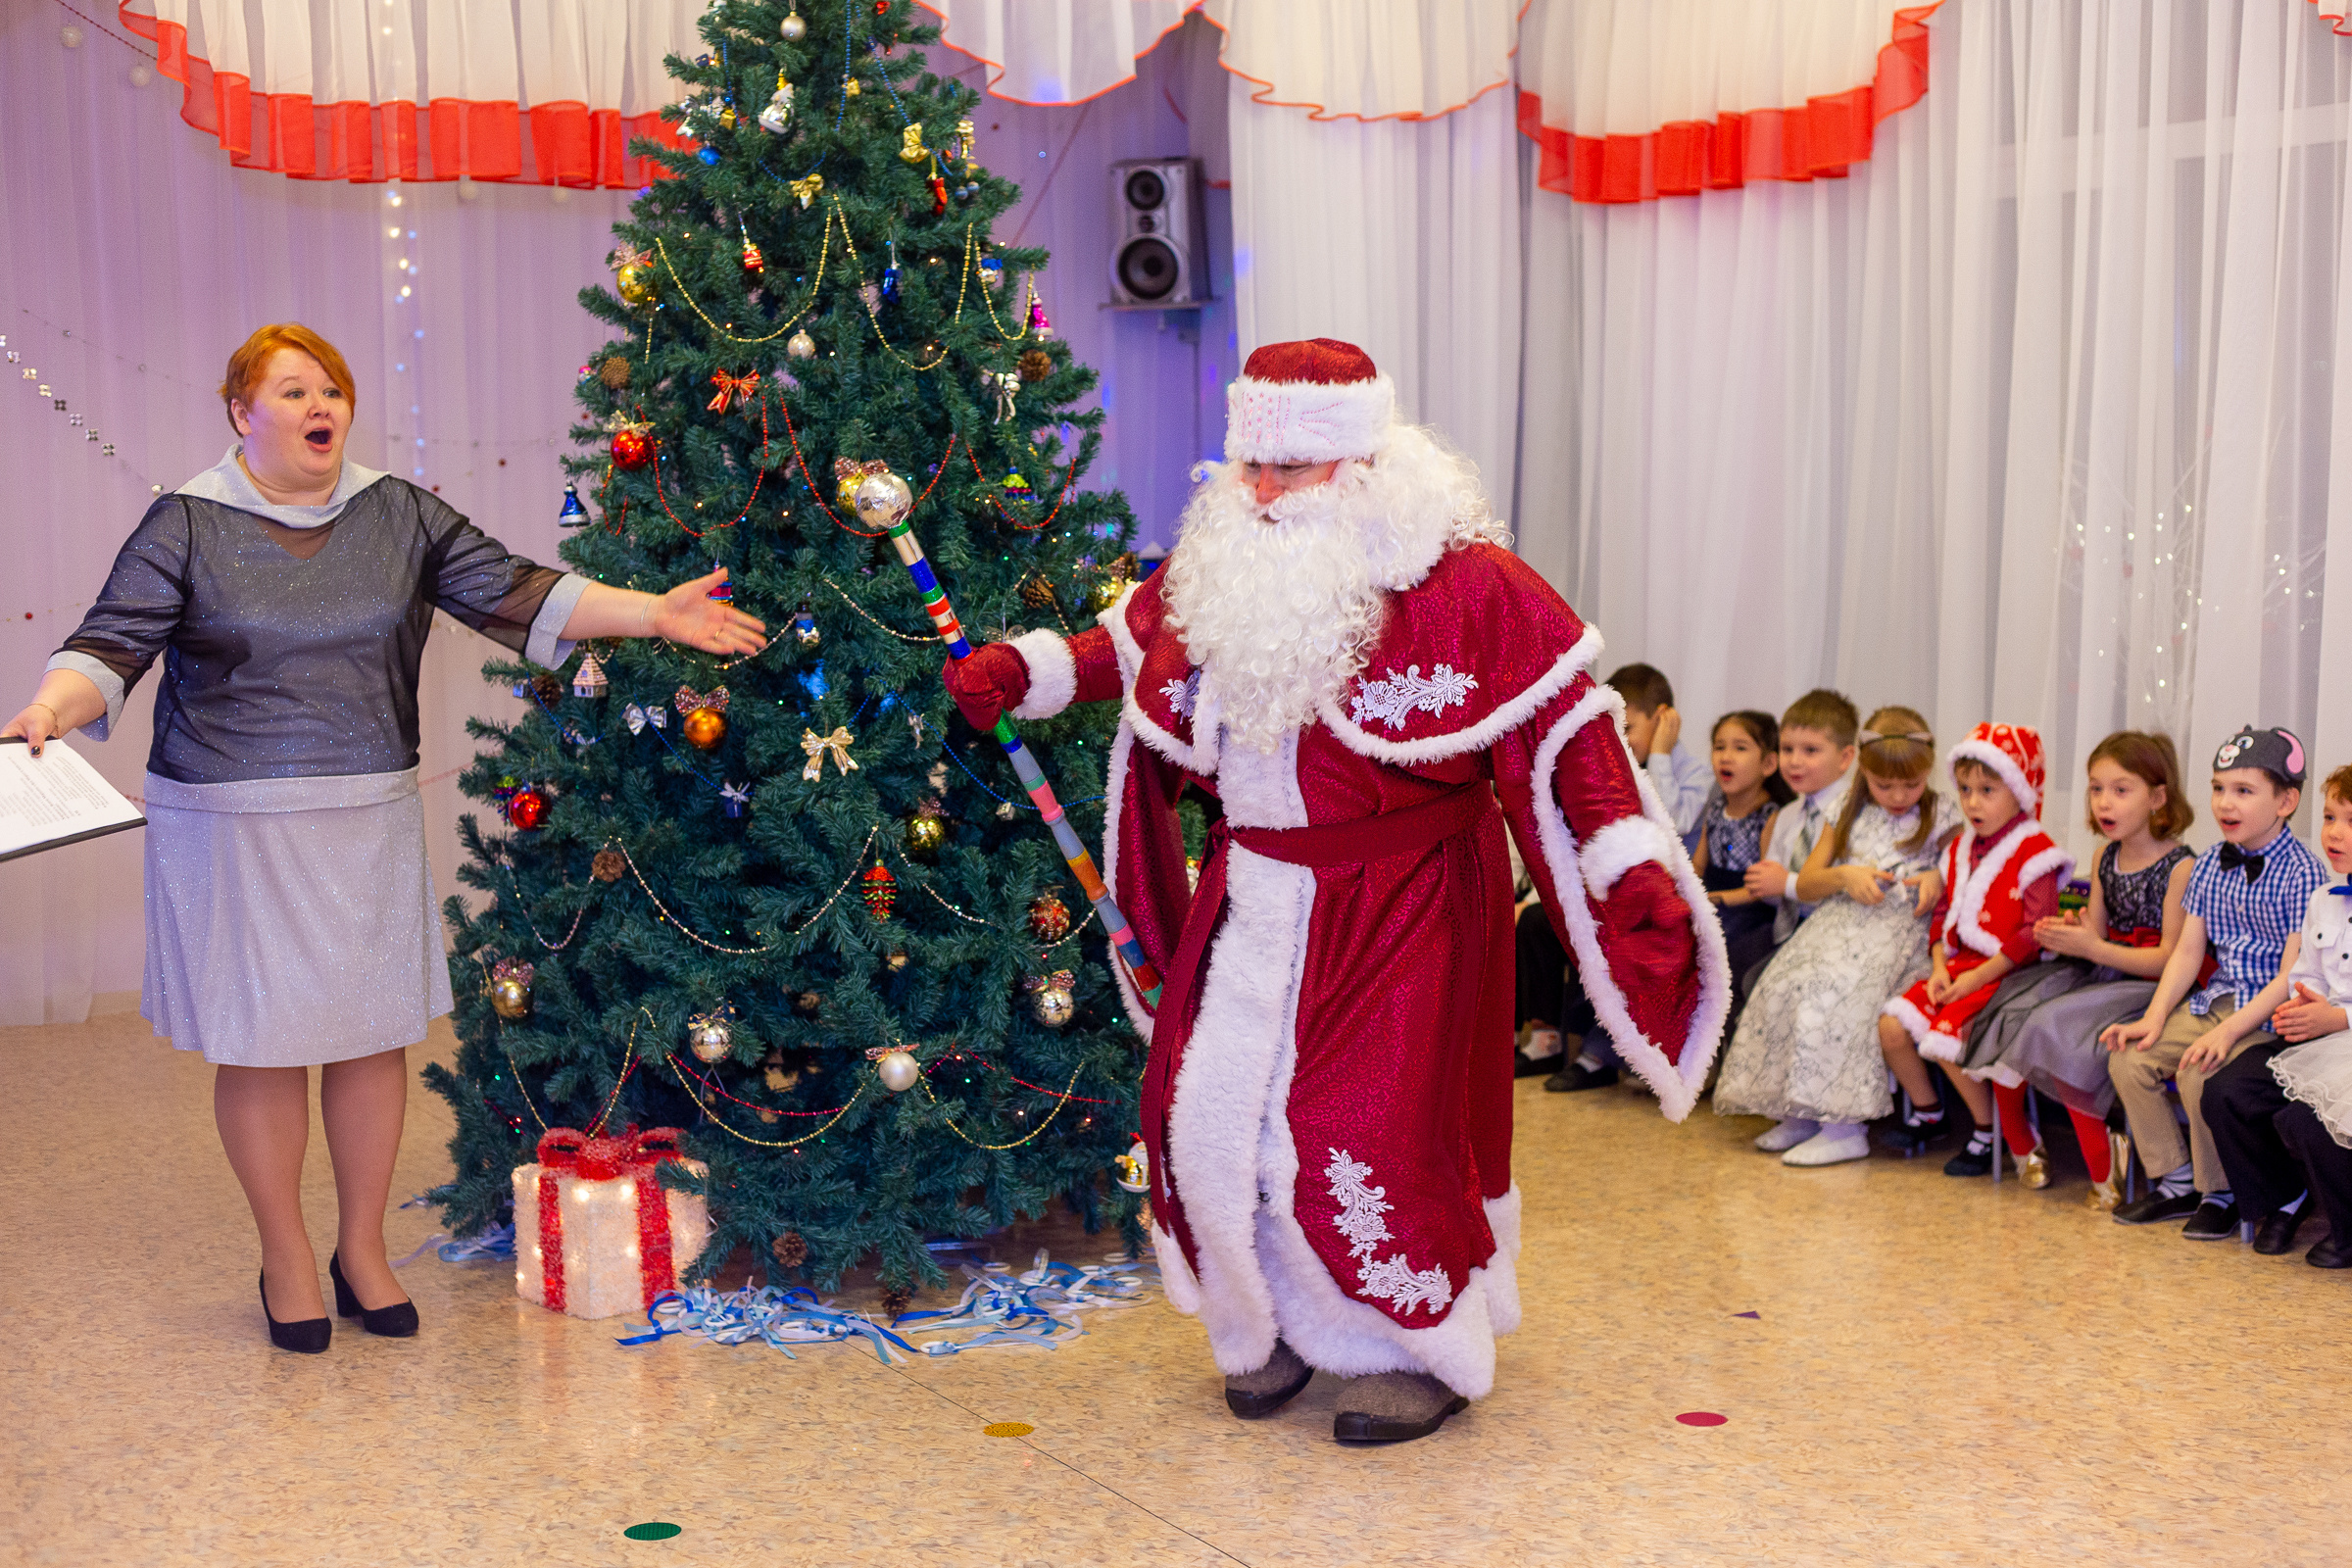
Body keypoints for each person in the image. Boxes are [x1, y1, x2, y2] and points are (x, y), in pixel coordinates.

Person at [939, 339, 1725, 1444]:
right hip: (1252, 894)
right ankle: (1275, 1328)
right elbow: (1136, 636)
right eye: (1248, 465)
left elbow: (1567, 727)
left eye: (1288, 470)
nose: (1259, 493)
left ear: (1363, 463)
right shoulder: (1222, 559)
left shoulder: (1466, 582)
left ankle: (1420, 1347)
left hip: (1402, 903)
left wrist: (1621, 855)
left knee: (1358, 1126)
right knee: (1209, 1120)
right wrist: (1030, 670)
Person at [2, 324, 763, 1352]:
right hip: (233, 824)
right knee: (263, 1045)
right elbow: (110, 641)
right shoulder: (184, 521)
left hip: (364, 811)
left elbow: (518, 589)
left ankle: (361, 1250)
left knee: (368, 1034)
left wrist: (653, 616)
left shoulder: (396, 512)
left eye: (333, 389)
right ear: (242, 413)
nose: (322, 405)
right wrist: (50, 705)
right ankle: (283, 1254)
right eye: (293, 389)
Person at [1943, 732, 2195, 1206]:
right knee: (2008, 1009)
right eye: (2096, 789)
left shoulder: (2181, 867)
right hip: (2100, 974)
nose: (2105, 802)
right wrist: (2066, 933)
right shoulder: (2105, 856)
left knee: (2054, 1027)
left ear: (2158, 798)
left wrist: (2093, 948)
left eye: (2121, 790)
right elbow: (2094, 932)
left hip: (2148, 988)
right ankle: (2034, 1142)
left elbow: (2168, 959)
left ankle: (2105, 1169)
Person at [2102, 726, 2328, 1239]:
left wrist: (2226, 1034)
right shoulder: (2209, 863)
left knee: (2199, 1072)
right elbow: (2187, 951)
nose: (2225, 803)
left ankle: (2220, 1192)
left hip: (2266, 1013)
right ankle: (2175, 1180)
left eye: (2244, 791)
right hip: (2214, 1001)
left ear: (2286, 801)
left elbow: (2294, 972)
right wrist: (2154, 1017)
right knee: (2129, 1058)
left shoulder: (2302, 874)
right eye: (2219, 788)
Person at [1713, 709, 1960, 1166]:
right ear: (1864, 770)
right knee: (1785, 983)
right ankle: (1800, 1111)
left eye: (1911, 784)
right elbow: (1806, 883)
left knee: (1838, 995)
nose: (1899, 796)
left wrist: (1936, 880)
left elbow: (1959, 870)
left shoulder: (1941, 811)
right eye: (1885, 786)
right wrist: (1844, 876)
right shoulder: (1845, 808)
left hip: (1899, 935)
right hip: (1838, 927)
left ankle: (1844, 1127)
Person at [1876, 724, 2071, 1179]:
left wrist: (1978, 978)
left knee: (1946, 1036)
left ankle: (1989, 1129)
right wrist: (1940, 964)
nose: (1972, 803)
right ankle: (1929, 1111)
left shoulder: (2036, 851)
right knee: (1892, 1028)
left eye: (1987, 790)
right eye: (1964, 790)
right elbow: (1944, 912)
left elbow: (2032, 933)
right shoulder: (1961, 848)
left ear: (2019, 791)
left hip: (2010, 974)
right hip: (1960, 966)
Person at [2204, 764, 2352, 1262]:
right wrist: (2303, 1003)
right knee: (2226, 1091)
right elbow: (2305, 972)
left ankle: (2348, 1230)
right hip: (2318, 1036)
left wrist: (2338, 1018)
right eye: (2330, 817)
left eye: (2350, 822)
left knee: (2309, 1121)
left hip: (2346, 1039)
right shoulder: (2323, 899)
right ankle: (2283, 1198)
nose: (2334, 832)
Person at [1541, 662, 1710, 1093]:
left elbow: (1672, 819)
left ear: (1663, 718)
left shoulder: (1694, 773)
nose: (1618, 740)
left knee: (1623, 941)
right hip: (1630, 894)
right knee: (1571, 928)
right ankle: (1577, 1043)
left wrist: (1662, 755)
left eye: (1628, 727)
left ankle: (1601, 1054)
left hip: (1676, 898)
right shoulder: (1618, 768)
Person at [1692, 710, 1793, 1027]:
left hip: (1749, 909)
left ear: (1768, 764)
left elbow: (1761, 887)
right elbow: (1698, 864)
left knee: (1715, 944)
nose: (1726, 757)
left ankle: (1714, 1042)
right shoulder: (1717, 807)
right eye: (1719, 747)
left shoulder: (1770, 815)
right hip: (1713, 898)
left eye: (1739, 748)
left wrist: (1717, 899)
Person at [1743, 690, 1861, 956]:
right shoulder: (1787, 815)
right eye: (1787, 749)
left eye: (1810, 750)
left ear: (1844, 758)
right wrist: (1765, 883)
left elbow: (1843, 887)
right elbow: (1774, 895)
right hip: (1786, 932)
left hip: (1831, 936)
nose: (1795, 761)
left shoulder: (1853, 812)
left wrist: (1786, 881)